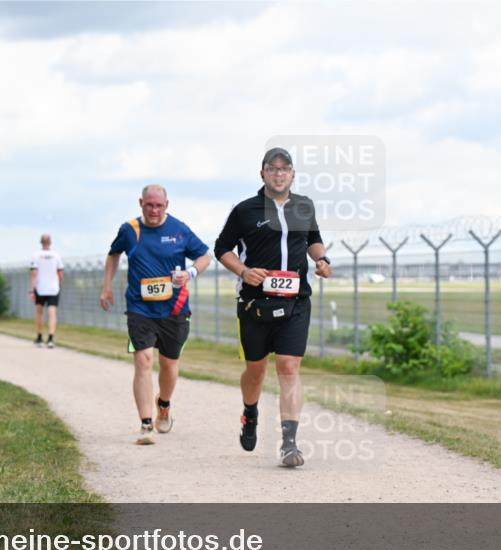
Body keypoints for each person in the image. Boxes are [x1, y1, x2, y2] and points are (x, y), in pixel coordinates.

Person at [214, 148, 332, 468]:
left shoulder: (304, 206)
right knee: (256, 371)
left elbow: (313, 239)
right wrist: (243, 271)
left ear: (292, 174)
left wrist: (321, 259)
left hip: (296, 301)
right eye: (273, 168)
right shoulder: (244, 210)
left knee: (288, 367)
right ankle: (250, 412)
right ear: (262, 173)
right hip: (255, 303)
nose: (279, 174)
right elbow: (222, 248)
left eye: (285, 169)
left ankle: (289, 443)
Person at [100, 185, 212, 445]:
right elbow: (113, 255)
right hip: (139, 308)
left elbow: (205, 257)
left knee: (169, 364)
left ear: (167, 205)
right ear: (141, 203)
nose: (154, 210)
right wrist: (106, 287)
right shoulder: (130, 230)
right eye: (149, 205)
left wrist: (190, 273)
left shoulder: (179, 229)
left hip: (175, 308)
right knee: (143, 360)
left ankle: (164, 403)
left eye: (159, 206)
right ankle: (145, 424)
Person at [30, 234, 64, 348]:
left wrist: (32, 290)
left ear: (41, 242)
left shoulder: (36, 255)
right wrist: (60, 284)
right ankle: (50, 339)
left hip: (40, 288)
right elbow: (60, 273)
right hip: (53, 288)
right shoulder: (56, 255)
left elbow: (34, 273)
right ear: (50, 242)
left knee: (39, 313)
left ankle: (39, 338)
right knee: (52, 314)